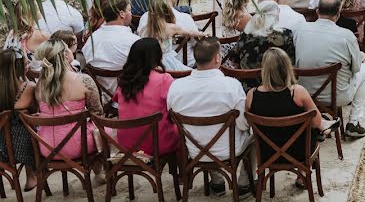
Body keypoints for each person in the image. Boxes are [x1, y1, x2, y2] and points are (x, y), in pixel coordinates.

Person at [167, 37, 253, 197]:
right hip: (228, 150)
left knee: (204, 134)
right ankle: (243, 184)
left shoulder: (176, 86)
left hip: (195, 150)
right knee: (254, 135)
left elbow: (172, 118)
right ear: (217, 58)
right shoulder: (231, 85)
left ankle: (217, 182)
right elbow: (243, 124)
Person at [246, 48, 338, 187]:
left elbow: (249, 125)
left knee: (305, 127)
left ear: (264, 69)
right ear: (287, 67)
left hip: (267, 153)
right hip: (300, 152)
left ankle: (324, 128)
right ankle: (324, 130)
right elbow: (316, 121)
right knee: (313, 127)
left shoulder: (252, 95)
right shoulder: (297, 92)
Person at [294, 0, 365, 138]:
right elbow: (356, 69)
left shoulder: (300, 30)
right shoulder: (346, 35)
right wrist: (360, 57)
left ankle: (323, 119)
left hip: (304, 94)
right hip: (337, 95)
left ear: (317, 11)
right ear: (338, 14)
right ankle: (353, 122)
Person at [33, 40, 102, 159]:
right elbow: (98, 114)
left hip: (46, 147)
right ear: (65, 54)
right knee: (108, 130)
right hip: (80, 146)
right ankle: (98, 168)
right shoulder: (84, 81)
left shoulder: (39, 85)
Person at [113, 38, 179, 156]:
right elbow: (177, 106)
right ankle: (182, 172)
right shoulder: (164, 79)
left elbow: (118, 101)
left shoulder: (124, 80)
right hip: (157, 143)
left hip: (127, 144)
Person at [81, 0, 140, 97]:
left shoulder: (92, 40)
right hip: (129, 97)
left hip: (103, 95)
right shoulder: (133, 41)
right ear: (122, 14)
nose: (131, 14)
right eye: (129, 10)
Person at [227, 1, 296, 76]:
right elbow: (290, 62)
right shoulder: (285, 35)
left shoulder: (247, 33)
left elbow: (234, 58)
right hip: (274, 84)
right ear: (275, 16)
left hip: (246, 84)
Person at [0, 49, 36, 190]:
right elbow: (36, 113)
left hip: (1, 148)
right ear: (21, 67)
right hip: (25, 147)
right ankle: (31, 177)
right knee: (29, 128)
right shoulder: (29, 87)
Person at [137, 0, 200, 67]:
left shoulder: (145, 19)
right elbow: (196, 42)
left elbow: (140, 40)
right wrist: (202, 34)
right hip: (181, 64)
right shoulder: (182, 20)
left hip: (151, 64)